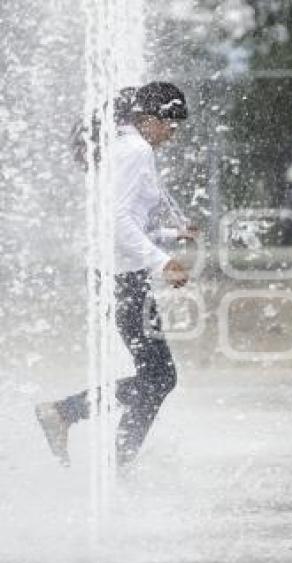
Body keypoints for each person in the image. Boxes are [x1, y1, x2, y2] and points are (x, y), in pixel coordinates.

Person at [36, 82, 193, 467]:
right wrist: (162, 260)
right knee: (159, 377)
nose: (172, 135)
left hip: (116, 275)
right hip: (119, 278)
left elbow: (126, 220)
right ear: (149, 120)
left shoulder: (124, 146)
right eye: (169, 126)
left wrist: (171, 235)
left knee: (156, 377)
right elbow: (115, 219)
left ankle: (106, 448)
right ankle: (72, 421)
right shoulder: (136, 150)